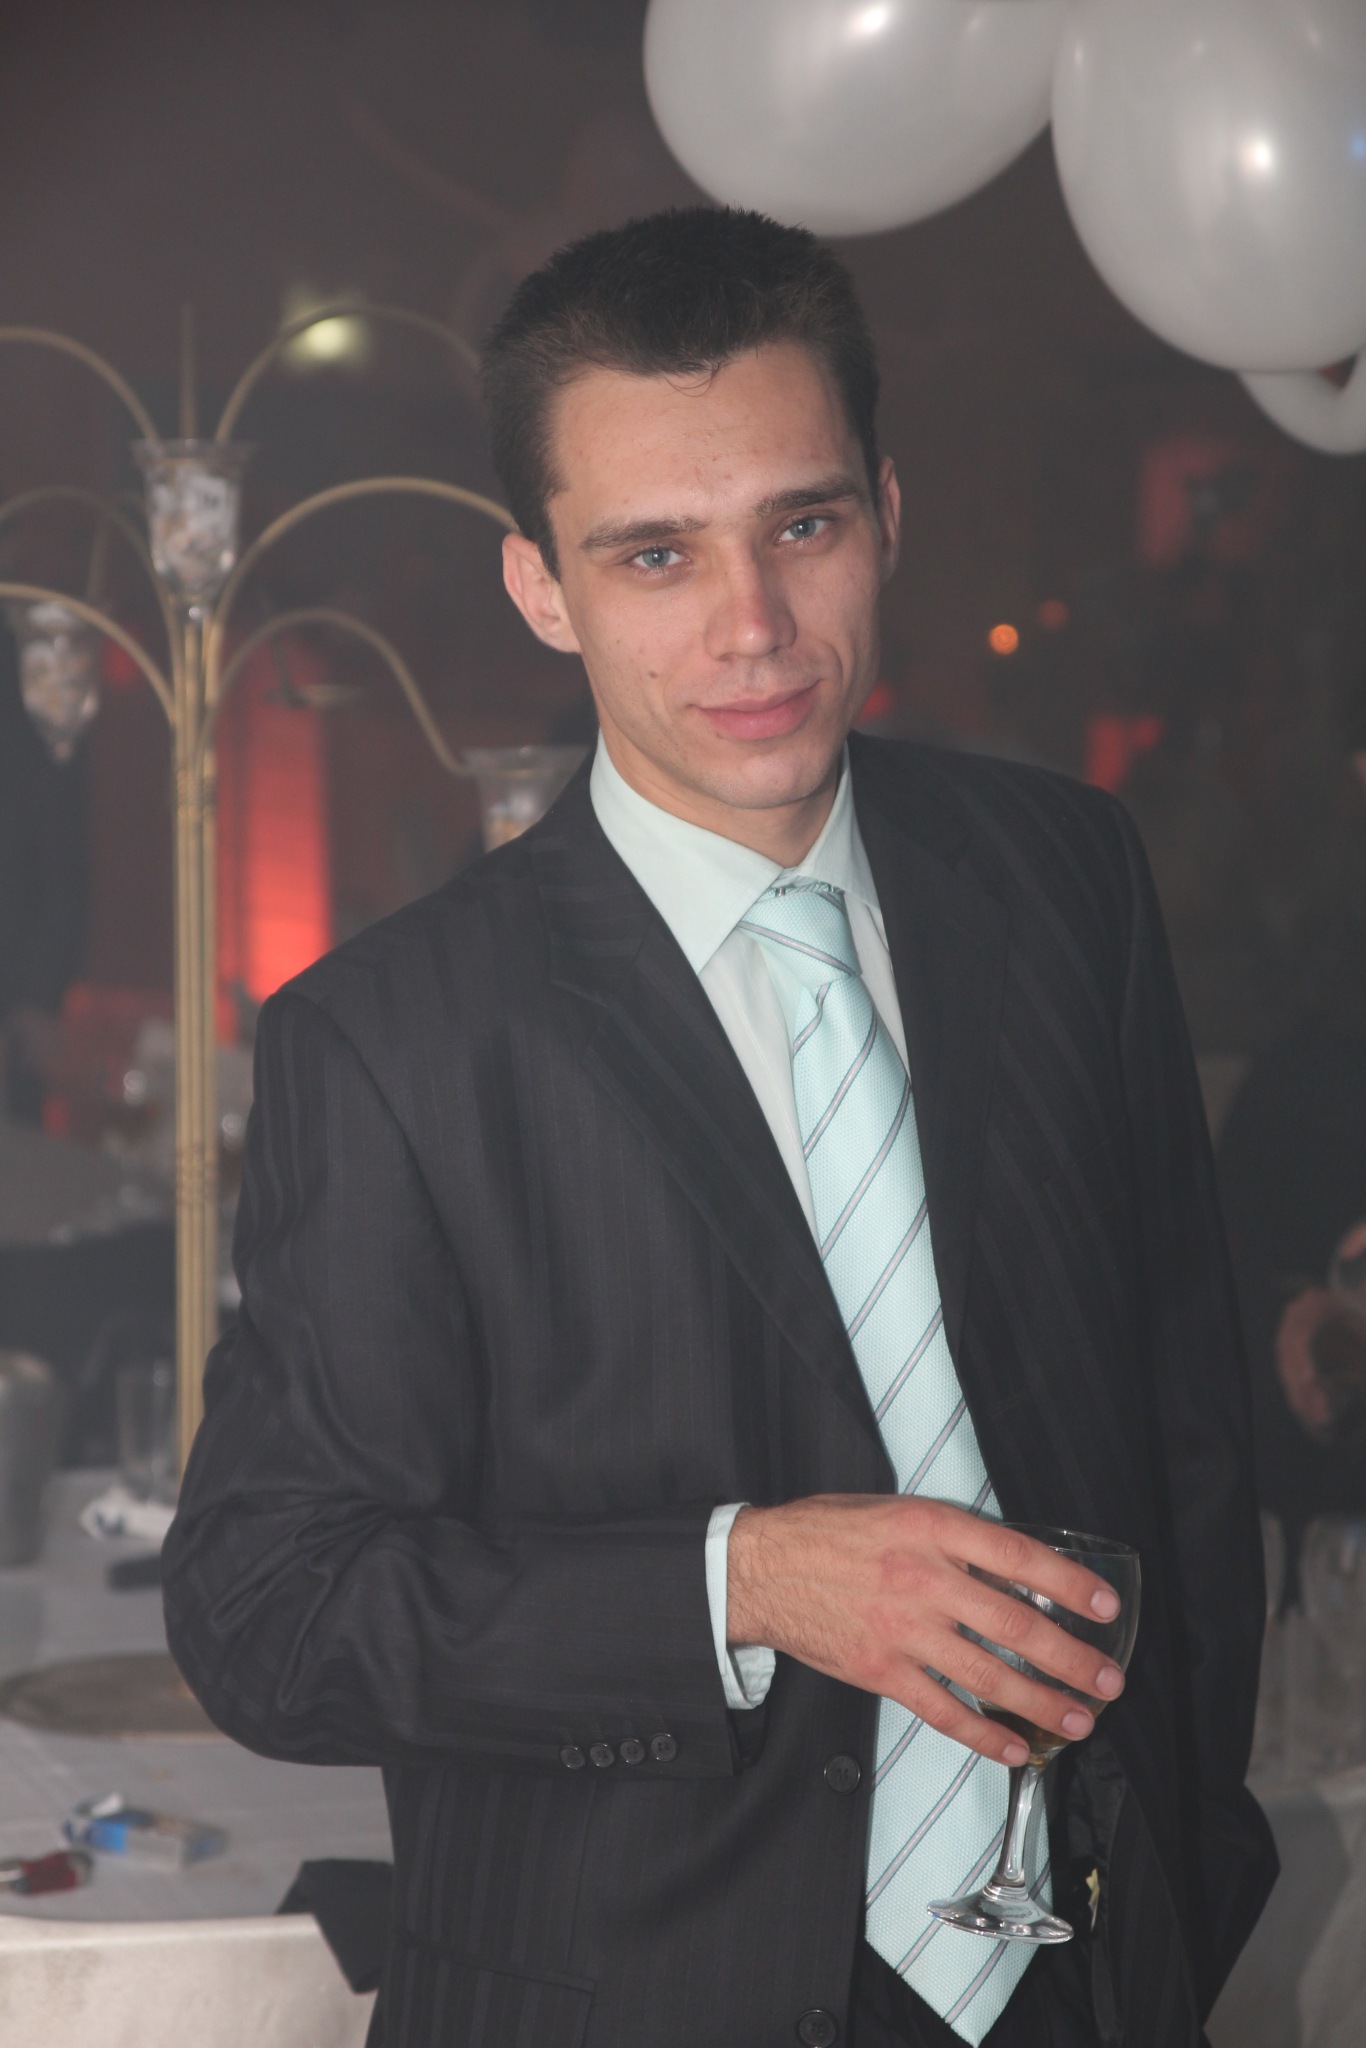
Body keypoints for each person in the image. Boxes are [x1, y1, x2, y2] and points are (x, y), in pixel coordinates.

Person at [163, 209, 1274, 2048]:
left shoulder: (1064, 873)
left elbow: (1184, 1424)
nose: (750, 626)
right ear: (542, 589)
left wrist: (1185, 1874)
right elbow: (268, 1609)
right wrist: (739, 1583)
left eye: (801, 526)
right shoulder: (388, 1039)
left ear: (885, 516)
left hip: (1081, 1974)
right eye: (656, 554)